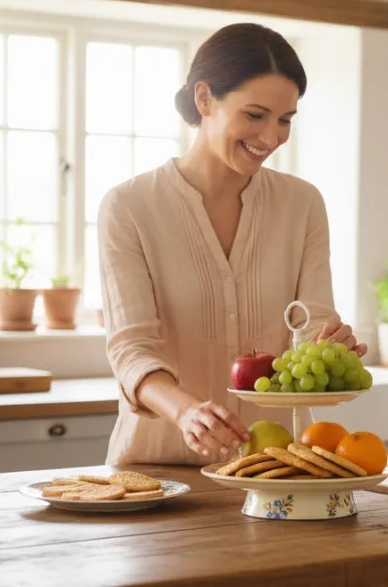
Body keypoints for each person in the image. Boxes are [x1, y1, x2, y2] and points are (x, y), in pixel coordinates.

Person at [98, 23, 367, 466]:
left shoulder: (302, 204)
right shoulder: (128, 207)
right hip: (159, 470)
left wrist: (331, 344)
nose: (271, 137)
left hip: (277, 468)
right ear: (204, 99)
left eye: (285, 120)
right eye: (255, 115)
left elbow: (312, 321)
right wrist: (186, 413)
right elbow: (132, 349)